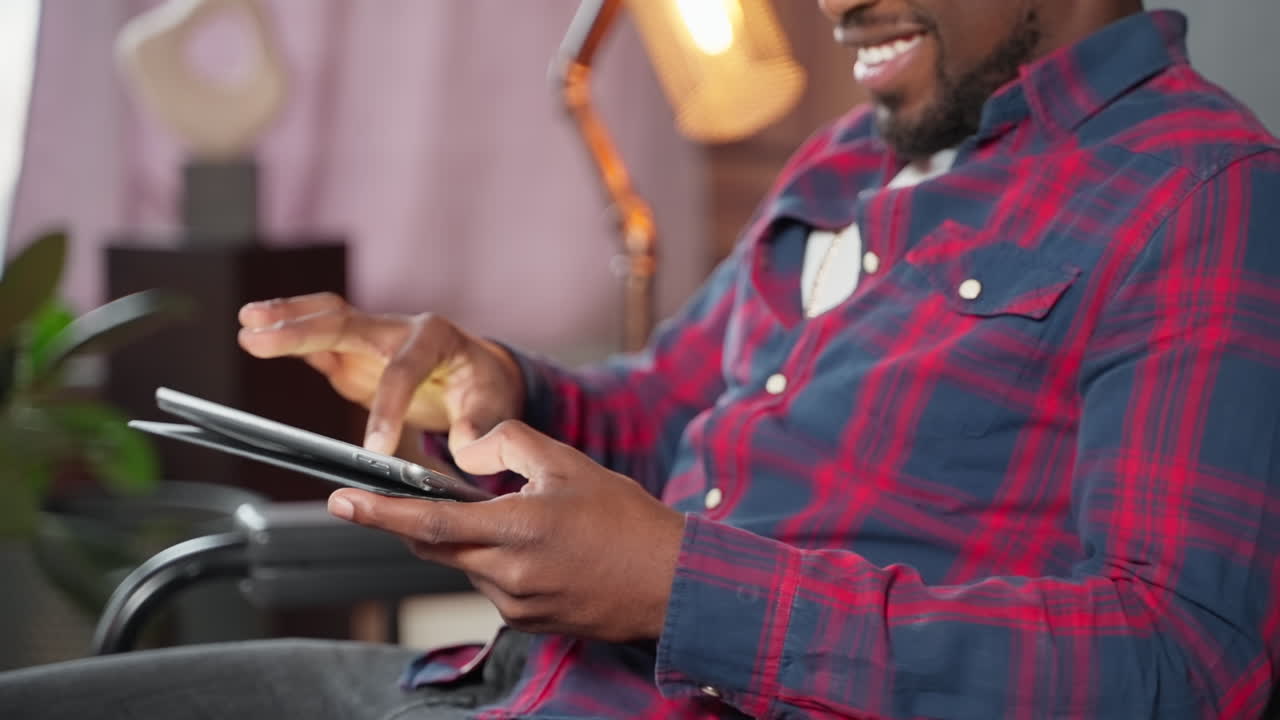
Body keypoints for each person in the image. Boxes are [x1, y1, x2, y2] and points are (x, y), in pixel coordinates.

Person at [3, 0, 1279, 717]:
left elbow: (1179, 661)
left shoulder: (1196, 193)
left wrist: (684, 594)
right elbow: (671, 405)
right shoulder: (847, 157)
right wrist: (509, 388)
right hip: (487, 690)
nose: (837, 4)